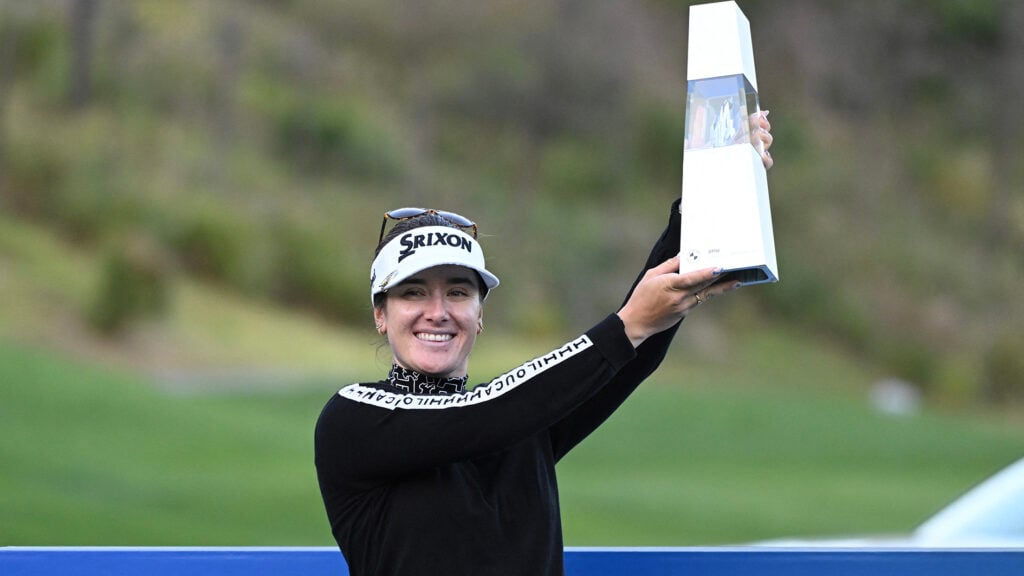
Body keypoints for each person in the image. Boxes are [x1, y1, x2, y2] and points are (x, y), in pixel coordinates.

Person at [315, 114, 774, 575]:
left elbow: (628, 357)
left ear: (480, 314)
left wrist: (710, 191)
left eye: (457, 292)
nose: (437, 311)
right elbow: (486, 413)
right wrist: (627, 325)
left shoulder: (522, 421)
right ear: (380, 315)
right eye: (413, 293)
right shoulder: (353, 420)